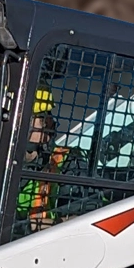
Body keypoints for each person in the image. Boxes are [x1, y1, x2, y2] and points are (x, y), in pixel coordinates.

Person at [15, 87, 84, 233]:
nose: (51, 123)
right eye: (43, 117)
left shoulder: (66, 161)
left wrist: (50, 225)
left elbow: (89, 217)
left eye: (49, 116)